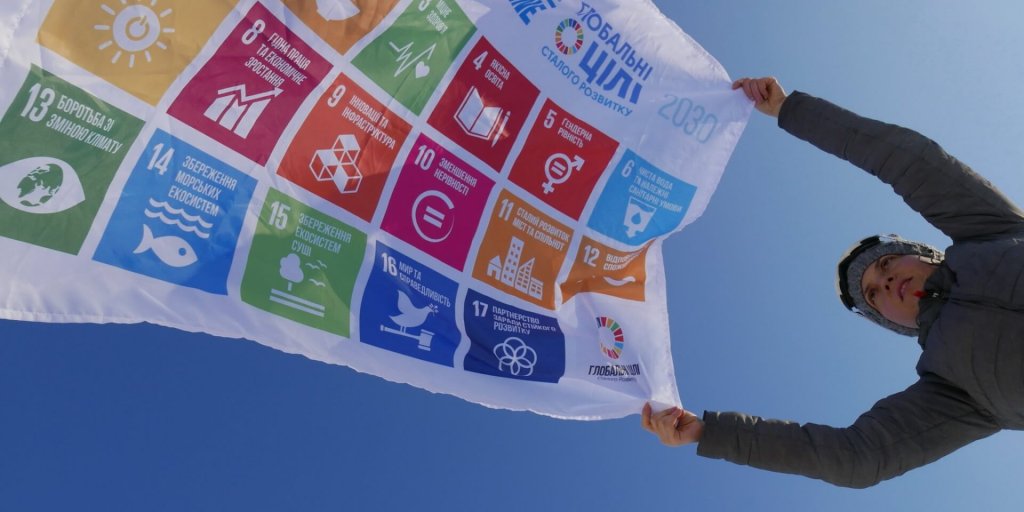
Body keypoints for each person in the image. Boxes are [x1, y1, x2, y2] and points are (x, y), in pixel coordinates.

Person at [641, 77, 1024, 488]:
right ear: (890, 322)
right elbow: (857, 457)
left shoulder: (990, 232)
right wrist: (709, 432)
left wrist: (789, 109)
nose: (886, 279)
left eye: (887, 262)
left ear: (924, 253)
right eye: (873, 294)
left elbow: (909, 159)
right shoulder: (950, 388)